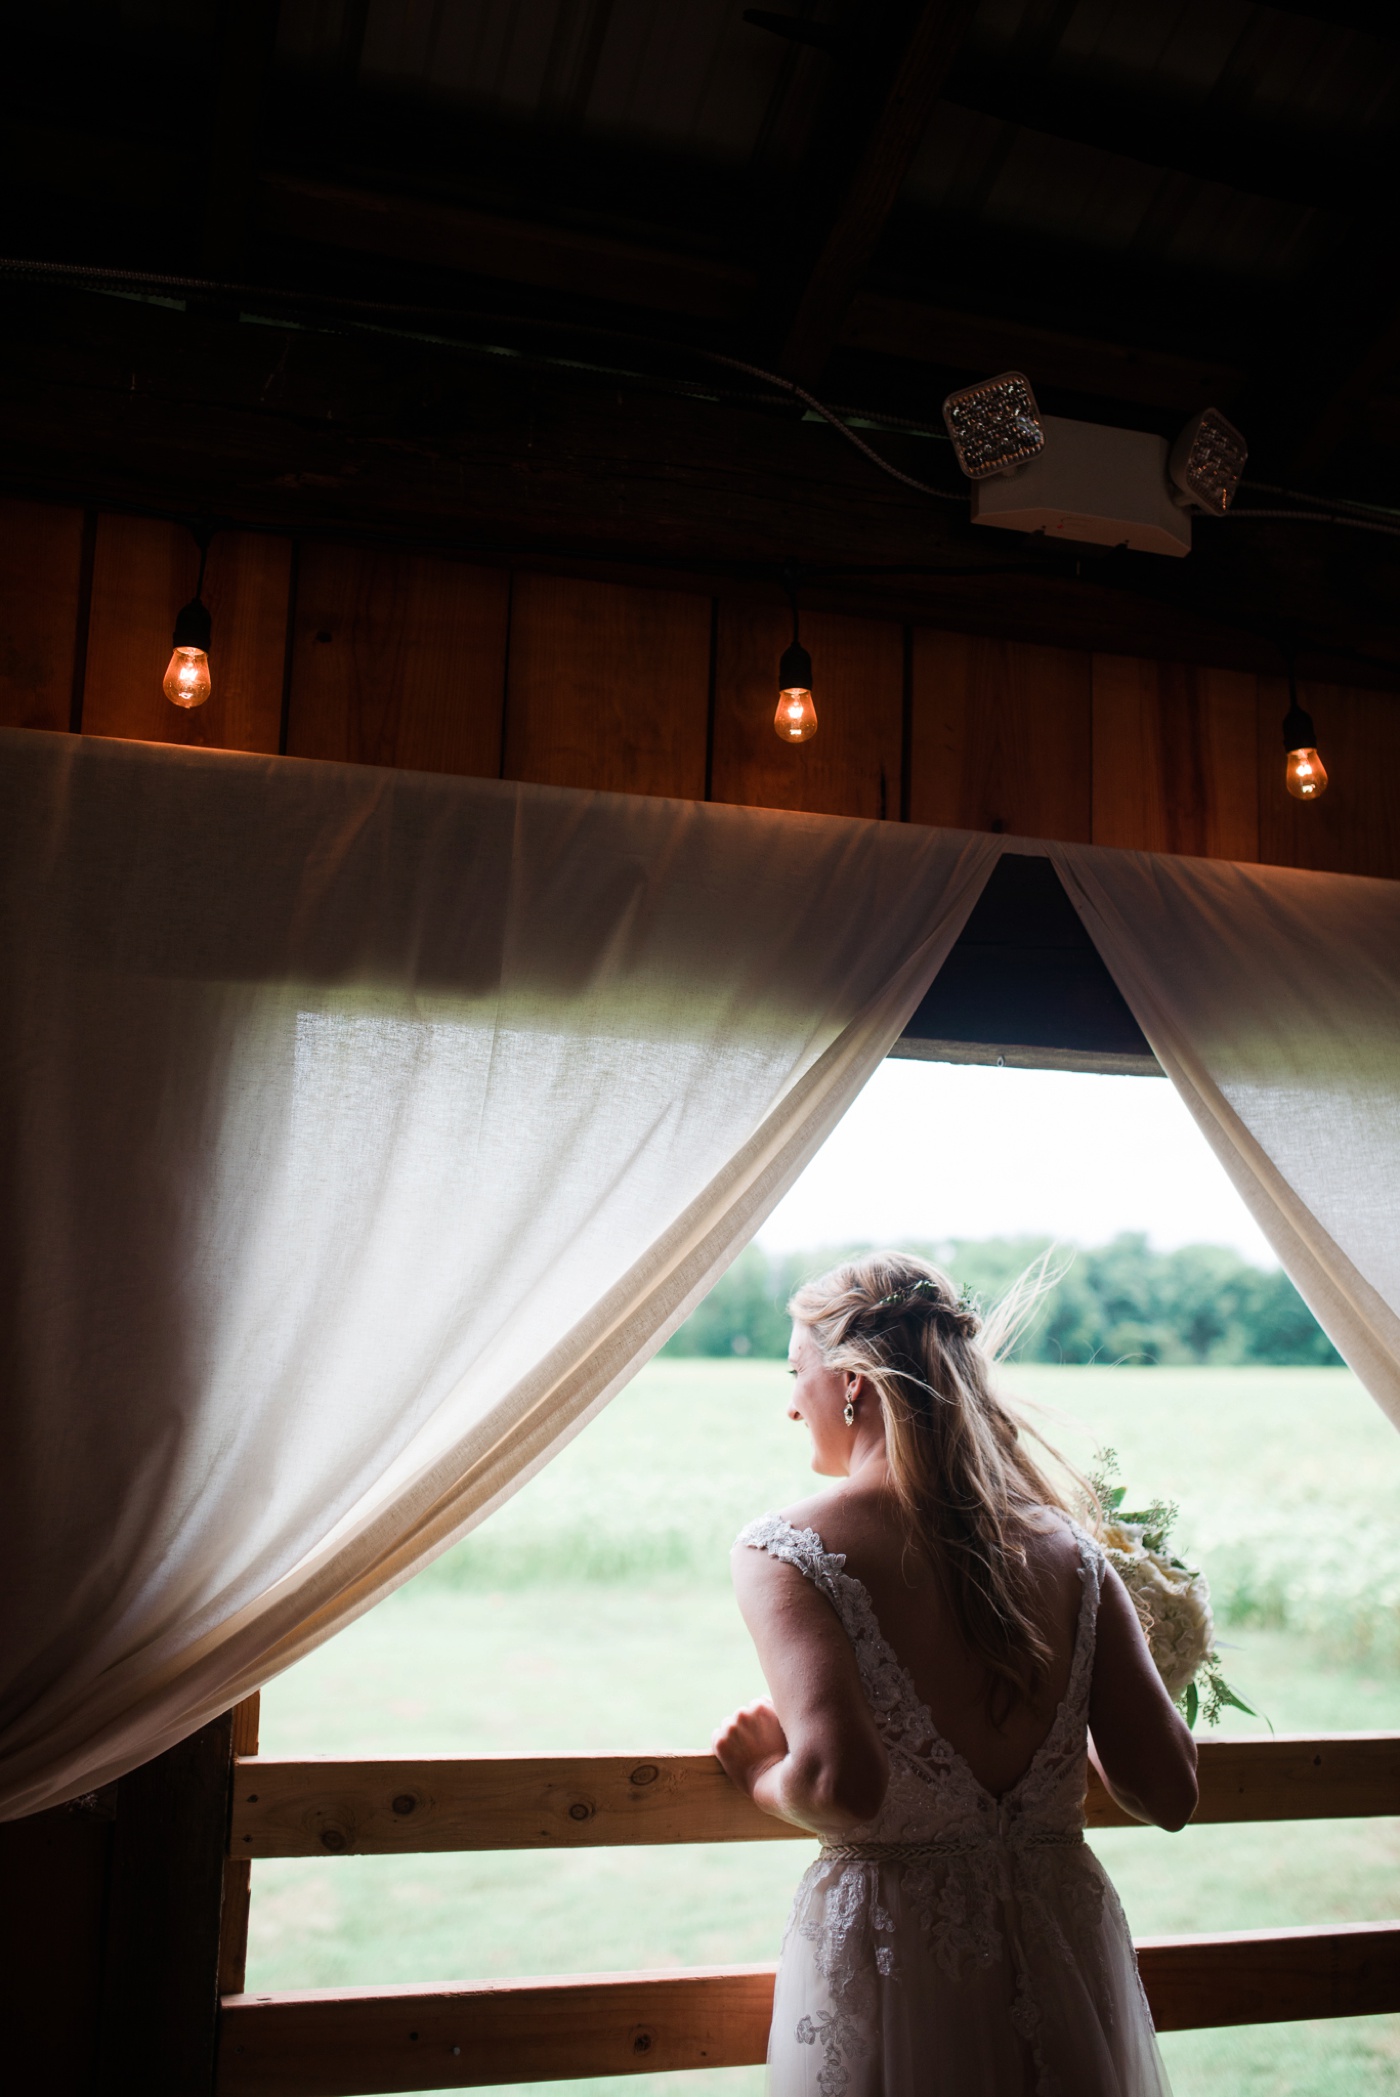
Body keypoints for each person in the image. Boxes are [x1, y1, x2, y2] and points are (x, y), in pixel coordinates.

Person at [712, 1252, 1197, 2097]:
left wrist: (760, 1772)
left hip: (901, 1970)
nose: (792, 1403)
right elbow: (1170, 1790)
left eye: (798, 1373)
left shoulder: (787, 1549)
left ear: (854, 1383)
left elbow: (840, 1783)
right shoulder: (1074, 1556)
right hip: (1064, 1961)